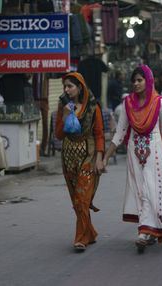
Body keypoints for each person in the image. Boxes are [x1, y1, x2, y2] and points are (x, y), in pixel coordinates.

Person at [102, 65, 162, 250]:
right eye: (134, 80)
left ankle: (145, 232)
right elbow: (120, 133)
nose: (136, 83)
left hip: (156, 151)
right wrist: (105, 158)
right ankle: (147, 231)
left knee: (152, 189)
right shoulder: (128, 104)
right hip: (134, 153)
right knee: (141, 190)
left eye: (140, 80)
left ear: (148, 81)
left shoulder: (160, 103)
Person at [55, 72, 105, 252]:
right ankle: (89, 232)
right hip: (68, 156)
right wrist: (65, 115)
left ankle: (81, 238)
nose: (67, 90)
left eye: (70, 86)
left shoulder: (92, 106)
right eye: (65, 87)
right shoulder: (63, 105)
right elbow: (59, 135)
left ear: (80, 87)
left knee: (82, 197)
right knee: (76, 199)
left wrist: (99, 159)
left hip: (88, 154)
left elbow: (99, 133)